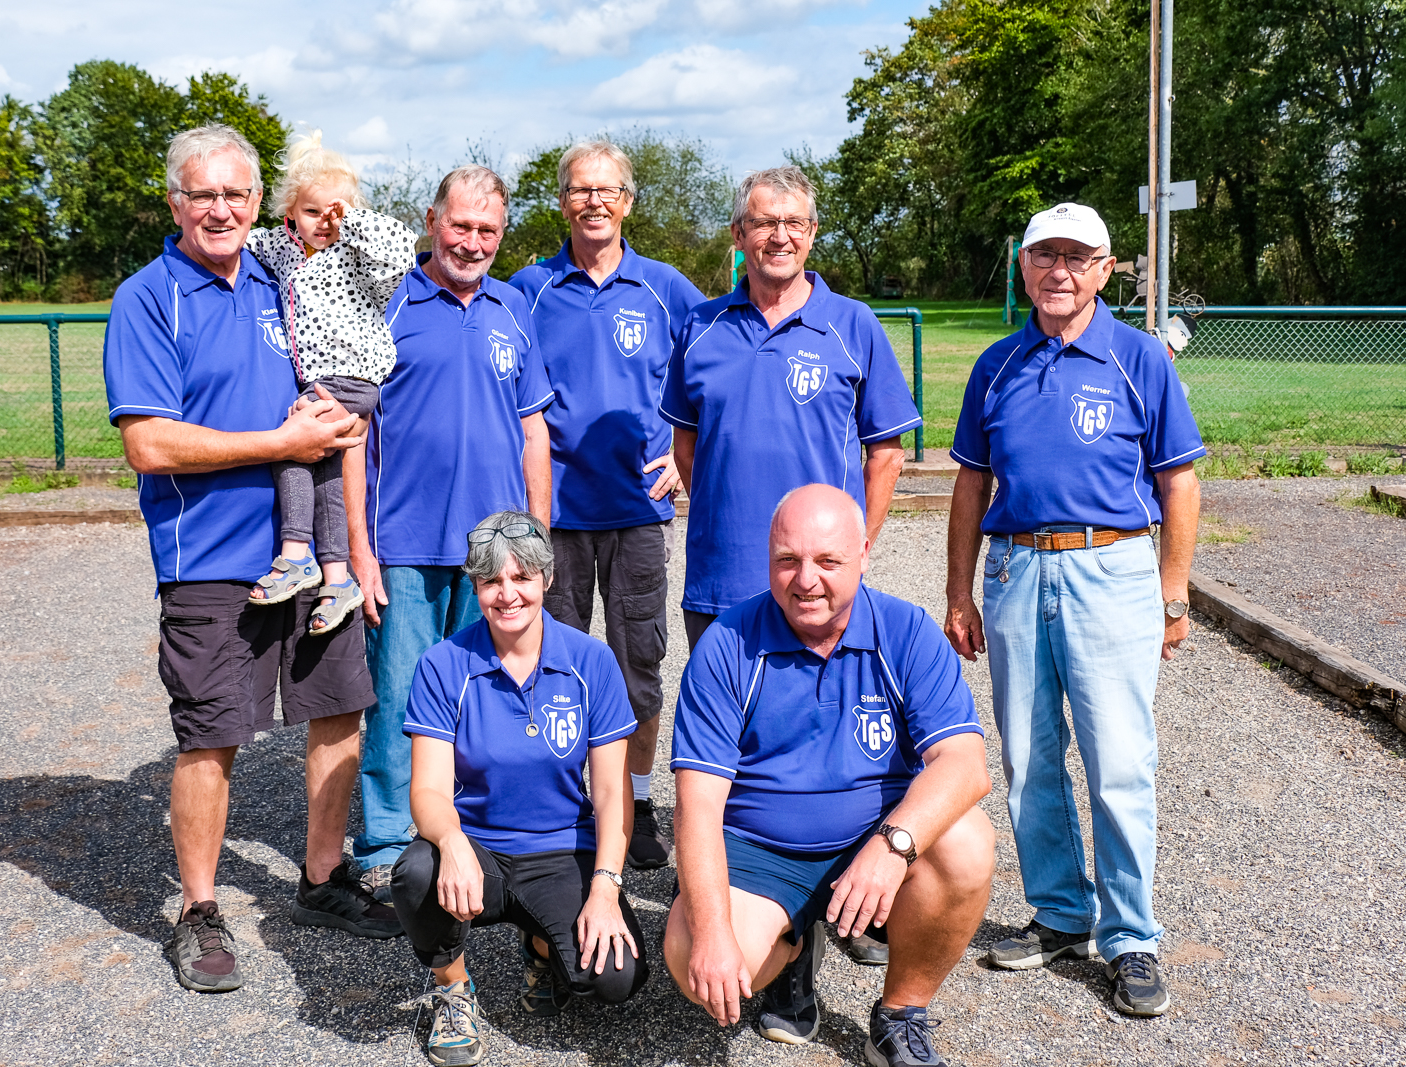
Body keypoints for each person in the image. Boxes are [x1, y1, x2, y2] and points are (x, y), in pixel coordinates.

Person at [104, 124, 401, 995]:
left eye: (237, 194)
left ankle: (319, 879)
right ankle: (198, 908)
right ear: (176, 204)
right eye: (204, 195)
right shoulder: (151, 296)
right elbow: (149, 443)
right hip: (212, 558)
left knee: (338, 707)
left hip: (316, 554)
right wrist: (278, 439)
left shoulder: (284, 276)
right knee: (213, 734)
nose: (222, 209)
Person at [943, 202, 1203, 1018]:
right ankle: (1061, 912)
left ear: (1104, 268)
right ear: (1023, 268)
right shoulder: (996, 364)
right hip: (1018, 567)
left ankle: (1131, 936)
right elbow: (970, 483)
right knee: (1027, 751)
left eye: (1076, 256)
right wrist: (958, 589)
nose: (1059, 270)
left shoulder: (1138, 359)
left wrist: (1173, 588)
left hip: (1112, 563)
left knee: (1120, 759)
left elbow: (1179, 482)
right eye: (1043, 255)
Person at [665, 484, 995, 1067]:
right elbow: (698, 806)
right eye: (787, 561)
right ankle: (792, 951)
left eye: (828, 561)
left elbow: (965, 765)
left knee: (968, 843)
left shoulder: (907, 633)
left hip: (875, 837)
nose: (805, 580)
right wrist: (713, 934)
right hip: (760, 848)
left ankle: (899, 1016)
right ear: (767, 558)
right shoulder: (727, 647)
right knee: (697, 963)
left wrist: (892, 848)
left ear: (864, 554)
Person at [346, 165, 555, 900]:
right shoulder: (389, 302)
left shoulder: (513, 308)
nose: (472, 242)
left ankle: (466, 828)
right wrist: (359, 549)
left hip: (495, 552)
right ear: (432, 220)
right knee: (402, 695)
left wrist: (538, 539)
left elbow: (534, 431)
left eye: (487, 230)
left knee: (485, 695)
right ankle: (383, 842)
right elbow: (354, 430)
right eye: (460, 225)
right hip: (402, 541)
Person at [509, 139, 706, 872]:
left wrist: (688, 458)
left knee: (636, 667)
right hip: (553, 517)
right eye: (579, 189)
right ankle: (563, 805)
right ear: (562, 200)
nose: (594, 201)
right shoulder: (525, 288)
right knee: (552, 666)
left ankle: (637, 799)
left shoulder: (666, 288)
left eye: (607, 189)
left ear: (628, 201)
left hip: (637, 513)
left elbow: (720, 367)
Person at [392, 511, 649, 1067]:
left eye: (521, 578)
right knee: (416, 872)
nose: (507, 595)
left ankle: (539, 947)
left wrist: (605, 888)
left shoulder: (590, 661)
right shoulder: (443, 665)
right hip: (477, 848)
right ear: (475, 586)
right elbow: (429, 791)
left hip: (560, 848)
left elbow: (611, 793)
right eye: (490, 582)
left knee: (615, 979)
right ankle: (453, 991)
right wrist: (454, 845)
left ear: (547, 579)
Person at [659, 165, 921, 653]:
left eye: (795, 223)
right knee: (724, 725)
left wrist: (851, 551)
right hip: (720, 584)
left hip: (820, 587)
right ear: (739, 234)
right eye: (764, 223)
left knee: (819, 722)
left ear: (812, 232)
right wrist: (726, 516)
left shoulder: (854, 324)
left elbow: (886, 455)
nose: (780, 237)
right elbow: (687, 447)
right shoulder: (700, 326)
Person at [245, 131, 417, 634]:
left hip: (352, 375)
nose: (326, 221)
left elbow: (400, 250)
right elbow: (240, 242)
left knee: (291, 444)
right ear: (290, 214)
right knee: (327, 474)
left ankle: (296, 553)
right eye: (314, 211)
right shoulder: (283, 251)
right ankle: (337, 578)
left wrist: (352, 220)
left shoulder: (359, 258)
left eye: (336, 211)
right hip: (322, 379)